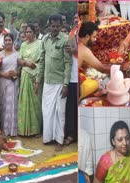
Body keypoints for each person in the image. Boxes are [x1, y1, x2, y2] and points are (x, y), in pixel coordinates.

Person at [35, 14, 72, 151]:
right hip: (48, 82)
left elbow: (68, 63)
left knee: (59, 112)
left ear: (61, 26)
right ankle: (48, 138)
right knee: (47, 111)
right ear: (49, 26)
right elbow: (42, 61)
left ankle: (59, 140)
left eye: (57, 26)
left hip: (60, 82)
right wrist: (38, 80)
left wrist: (66, 84)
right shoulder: (45, 39)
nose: (55, 28)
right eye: (53, 26)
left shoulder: (66, 40)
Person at [18, 24, 42, 137]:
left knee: (35, 102)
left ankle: (35, 129)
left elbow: (41, 62)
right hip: (25, 74)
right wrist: (25, 63)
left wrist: (32, 65)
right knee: (24, 101)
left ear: (34, 33)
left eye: (30, 32)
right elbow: (19, 59)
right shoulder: (23, 45)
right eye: (26, 32)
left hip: (35, 75)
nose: (27, 34)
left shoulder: (40, 44)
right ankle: (23, 130)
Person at [0, 34, 19, 136]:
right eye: (6, 40)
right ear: (3, 42)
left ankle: (12, 129)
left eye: (9, 40)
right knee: (3, 104)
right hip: (2, 81)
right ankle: (4, 129)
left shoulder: (18, 54)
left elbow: (20, 69)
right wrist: (4, 74)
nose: (7, 42)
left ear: (12, 41)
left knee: (12, 103)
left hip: (13, 82)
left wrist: (16, 73)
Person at [64, 14, 78, 146]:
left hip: (83, 75)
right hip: (72, 77)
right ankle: (71, 134)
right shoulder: (71, 33)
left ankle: (78, 134)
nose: (76, 19)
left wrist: (74, 49)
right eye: (74, 17)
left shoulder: (85, 32)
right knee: (71, 108)